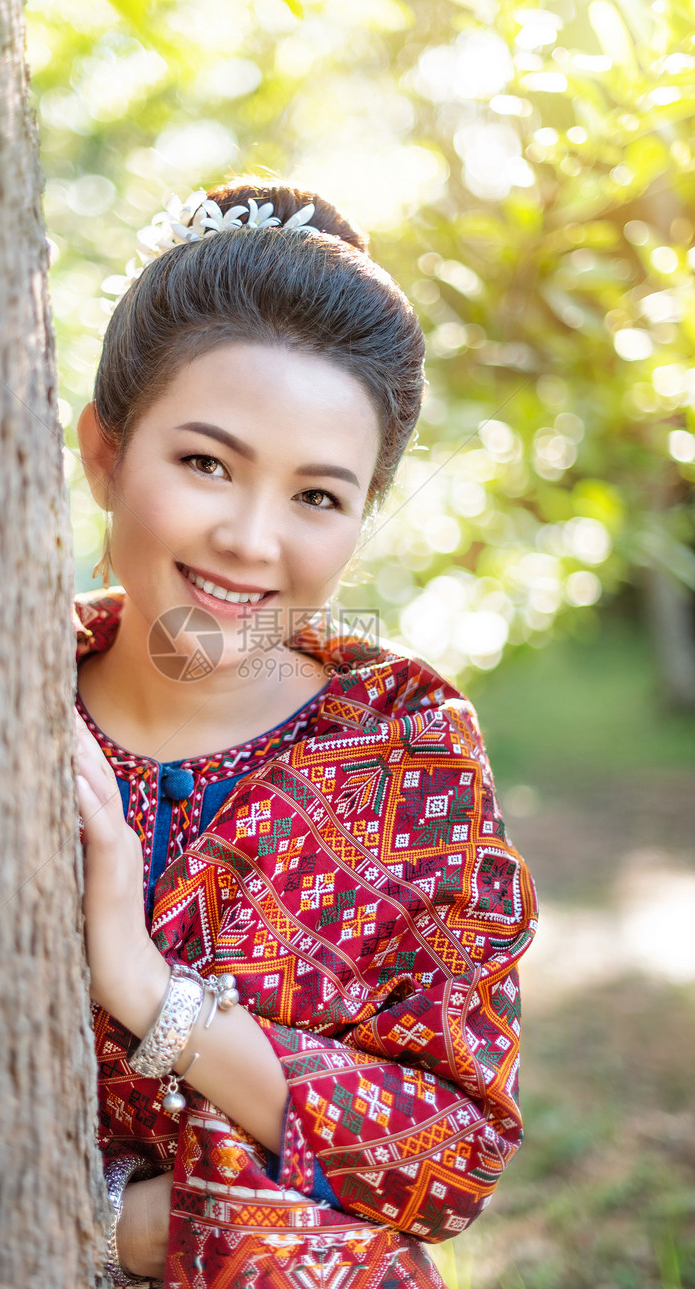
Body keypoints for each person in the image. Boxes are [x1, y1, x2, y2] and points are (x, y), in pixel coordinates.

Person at [71, 178, 538, 1289]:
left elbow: (447, 1154)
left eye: (316, 497)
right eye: (204, 463)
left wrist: (145, 989)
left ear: (360, 517)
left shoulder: (408, 751)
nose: (247, 539)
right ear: (103, 452)